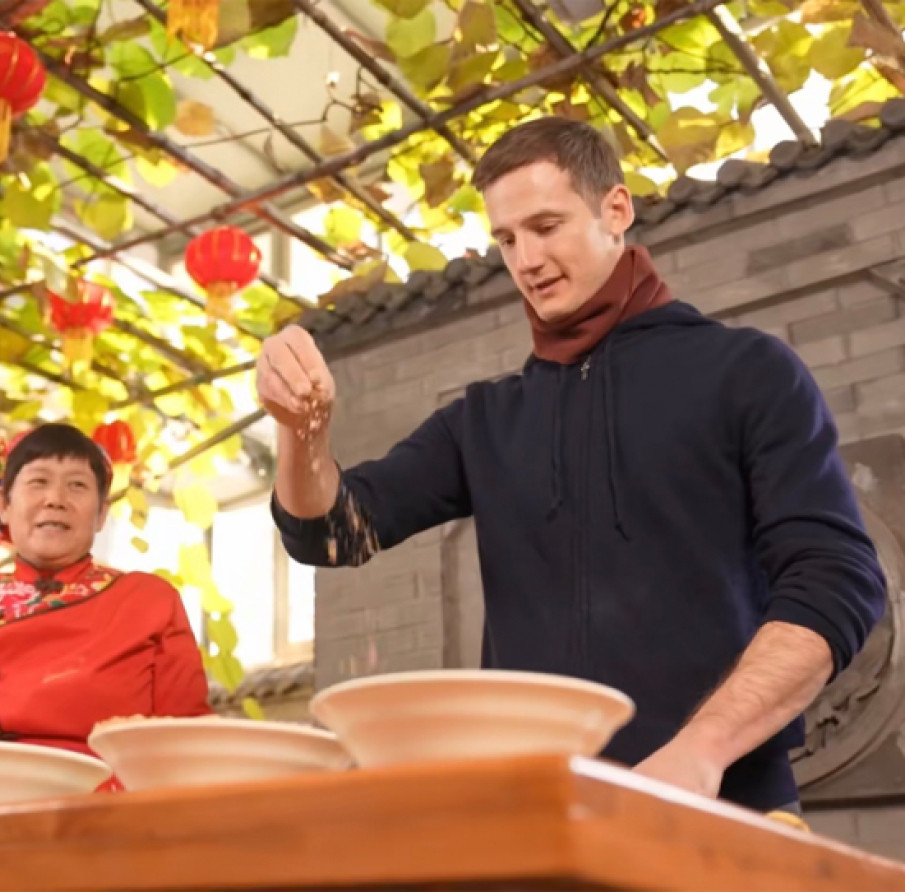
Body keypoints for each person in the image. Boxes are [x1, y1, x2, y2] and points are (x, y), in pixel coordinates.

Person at [258, 116, 887, 814]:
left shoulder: (747, 372)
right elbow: (334, 532)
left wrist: (702, 749)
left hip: (722, 806)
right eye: (506, 238)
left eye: (546, 225)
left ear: (615, 210)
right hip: (536, 819)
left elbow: (838, 581)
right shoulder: (485, 420)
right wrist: (300, 432)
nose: (525, 259)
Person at [0, 422, 212, 761]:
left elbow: (186, 746)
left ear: (101, 513)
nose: (56, 499)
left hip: (106, 805)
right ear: (4, 504)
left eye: (77, 485)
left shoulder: (148, 601)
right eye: (38, 482)